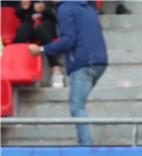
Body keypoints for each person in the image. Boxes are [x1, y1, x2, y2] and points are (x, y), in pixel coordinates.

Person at [28, 0, 108, 146]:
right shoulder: (88, 6)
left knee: (77, 106)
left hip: (83, 62)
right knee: (79, 104)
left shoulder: (65, 8)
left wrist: (41, 50)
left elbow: (68, 40)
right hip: (100, 61)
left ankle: (86, 147)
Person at [14, 0, 64, 87]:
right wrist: (23, 8)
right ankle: (19, 72)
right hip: (31, 26)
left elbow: (59, 15)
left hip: (49, 27)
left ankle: (56, 72)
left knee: (43, 28)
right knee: (23, 29)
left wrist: (45, 9)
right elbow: (18, 13)